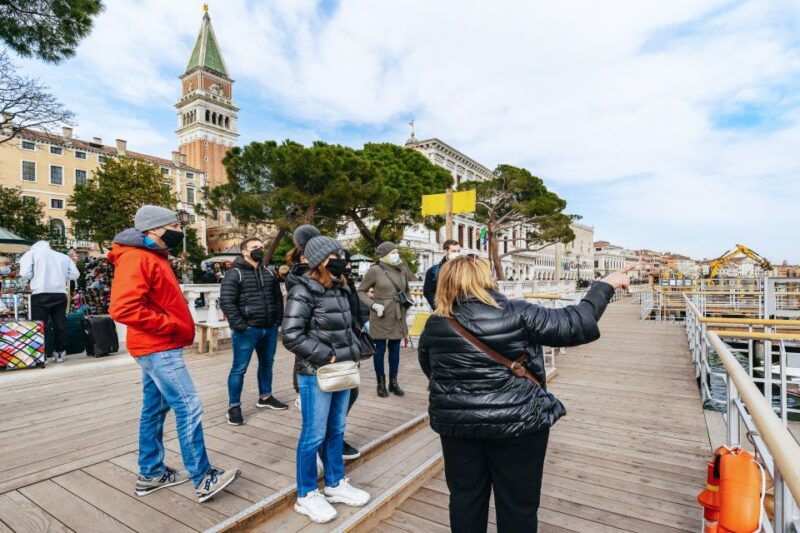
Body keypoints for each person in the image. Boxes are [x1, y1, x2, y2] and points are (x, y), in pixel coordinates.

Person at [418, 255, 633, 532]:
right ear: (487, 278)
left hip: (458, 426)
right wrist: (606, 284)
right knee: (518, 505)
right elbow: (576, 323)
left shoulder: (435, 324)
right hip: (519, 422)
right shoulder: (517, 312)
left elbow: (430, 369)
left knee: (465, 498)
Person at [109, 205, 240, 503]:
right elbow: (122, 308)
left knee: (155, 409)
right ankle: (203, 476)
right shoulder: (137, 257)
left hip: (155, 345)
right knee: (189, 406)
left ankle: (151, 473)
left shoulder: (150, 256)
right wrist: (169, 326)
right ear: (155, 229)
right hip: (158, 346)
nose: (179, 232)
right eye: (175, 226)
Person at [282, 235, 370, 523]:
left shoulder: (341, 287)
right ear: (321, 258)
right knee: (313, 434)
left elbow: (350, 327)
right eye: (336, 253)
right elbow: (292, 335)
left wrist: (353, 352)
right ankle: (306, 494)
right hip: (316, 373)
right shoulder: (303, 290)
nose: (342, 257)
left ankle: (335, 484)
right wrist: (328, 357)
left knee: (337, 429)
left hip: (344, 370)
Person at [220, 236, 287, 426]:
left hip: (269, 328)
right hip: (247, 331)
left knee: (267, 364)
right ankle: (234, 407)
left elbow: (277, 299)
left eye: (261, 246)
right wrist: (241, 325)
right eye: (254, 247)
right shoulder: (235, 273)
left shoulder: (269, 272)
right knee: (239, 369)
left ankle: (265, 397)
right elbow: (226, 302)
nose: (259, 249)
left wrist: (277, 321)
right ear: (244, 252)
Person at [357, 241, 411, 398]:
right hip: (381, 315)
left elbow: (406, 290)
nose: (397, 254)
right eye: (393, 252)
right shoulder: (375, 270)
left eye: (397, 251)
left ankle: (393, 382)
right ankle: (380, 383)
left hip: (398, 314)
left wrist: (407, 303)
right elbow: (360, 291)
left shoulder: (401, 269)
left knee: (395, 349)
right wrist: (373, 305)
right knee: (379, 350)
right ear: (385, 254)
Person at [18, 240, 80, 363]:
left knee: (40, 325)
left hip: (40, 293)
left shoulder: (31, 254)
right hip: (59, 293)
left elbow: (24, 273)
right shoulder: (62, 257)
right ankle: (60, 352)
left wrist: (37, 276)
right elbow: (75, 274)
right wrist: (60, 276)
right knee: (60, 324)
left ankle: (43, 355)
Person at [340, 250, 365, 460]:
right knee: (344, 393)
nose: (347, 264)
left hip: (351, 344)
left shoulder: (347, 281)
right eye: (343, 260)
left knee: (351, 392)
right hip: (334, 351)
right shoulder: (324, 284)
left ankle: (336, 436)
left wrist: (362, 323)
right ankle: (334, 440)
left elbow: (355, 308)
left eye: (348, 260)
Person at [422, 239, 460, 309]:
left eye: (458, 251)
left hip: (462, 311)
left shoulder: (465, 269)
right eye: (454, 251)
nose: (457, 254)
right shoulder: (432, 271)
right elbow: (428, 291)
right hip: (442, 310)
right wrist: (437, 307)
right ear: (445, 252)